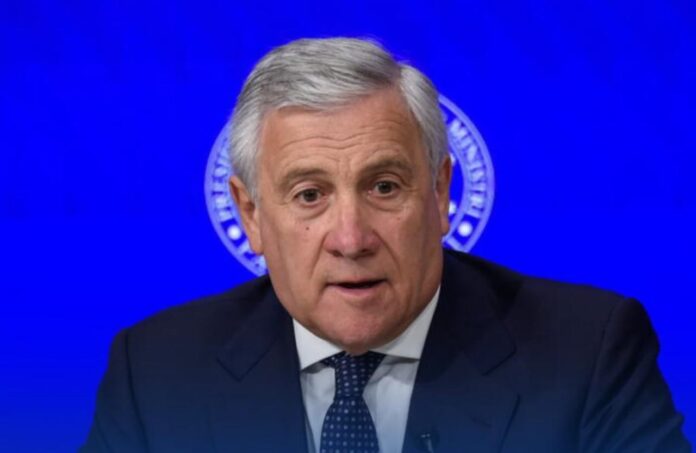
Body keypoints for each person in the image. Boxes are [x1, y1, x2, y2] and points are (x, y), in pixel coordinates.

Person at [82, 37, 690, 453]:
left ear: (441, 192)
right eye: (309, 195)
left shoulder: (586, 354)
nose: (351, 239)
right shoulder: (157, 374)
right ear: (251, 215)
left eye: (384, 186)